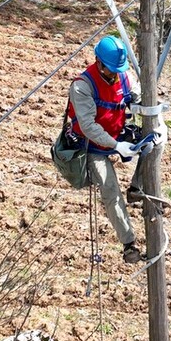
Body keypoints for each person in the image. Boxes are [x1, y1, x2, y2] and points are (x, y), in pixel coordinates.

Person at [64, 36, 161, 264]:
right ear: (98, 61)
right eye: (109, 70)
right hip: (91, 146)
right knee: (109, 189)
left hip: (117, 133)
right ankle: (129, 244)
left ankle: (137, 187)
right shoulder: (82, 87)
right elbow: (88, 126)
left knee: (156, 141)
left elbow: (140, 97)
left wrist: (150, 113)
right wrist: (117, 146)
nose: (113, 74)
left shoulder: (123, 77)